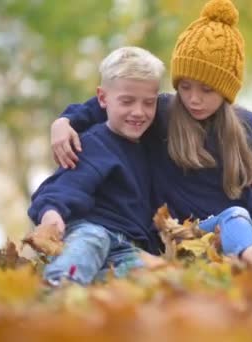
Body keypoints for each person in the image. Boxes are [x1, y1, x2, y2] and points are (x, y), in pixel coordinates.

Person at [49, 0, 252, 262]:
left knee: (237, 215)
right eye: (185, 87)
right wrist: (64, 122)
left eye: (207, 90)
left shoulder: (246, 128)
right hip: (175, 239)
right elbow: (108, 105)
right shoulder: (161, 113)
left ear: (227, 91)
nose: (194, 99)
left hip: (231, 236)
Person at [27, 46, 165, 285]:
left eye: (148, 103)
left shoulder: (151, 143)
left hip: (126, 247)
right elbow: (65, 186)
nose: (138, 112)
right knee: (93, 238)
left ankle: (94, 281)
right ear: (102, 98)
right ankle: (61, 282)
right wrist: (52, 213)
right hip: (89, 231)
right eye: (127, 101)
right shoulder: (93, 143)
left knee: (155, 271)